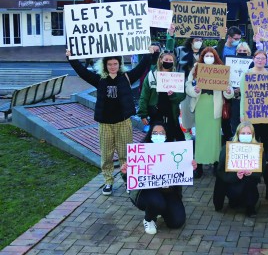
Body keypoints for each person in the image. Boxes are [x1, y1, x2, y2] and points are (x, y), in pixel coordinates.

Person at [66, 46, 158, 195]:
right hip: (105, 124)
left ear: (119, 65)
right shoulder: (100, 80)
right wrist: (71, 58)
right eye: (110, 64)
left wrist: (149, 53)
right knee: (107, 154)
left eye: (115, 64)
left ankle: (128, 180)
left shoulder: (127, 77)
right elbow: (82, 72)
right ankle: (108, 181)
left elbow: (142, 67)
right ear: (105, 65)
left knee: (125, 154)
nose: (113, 67)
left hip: (123, 123)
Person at [120, 123, 197, 234]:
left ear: (166, 136)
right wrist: (125, 172)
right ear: (150, 135)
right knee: (157, 202)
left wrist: (191, 166)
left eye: (161, 133)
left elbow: (182, 170)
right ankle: (149, 219)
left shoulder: (174, 150)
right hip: (147, 192)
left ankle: (161, 210)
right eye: (155, 133)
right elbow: (130, 177)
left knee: (177, 222)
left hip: (168, 192)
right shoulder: (141, 150)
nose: (158, 135)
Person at [185, 48, 234, 176]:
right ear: (202, 57)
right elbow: (188, 84)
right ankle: (199, 164)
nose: (209, 57)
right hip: (201, 104)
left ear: (215, 57)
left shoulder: (221, 69)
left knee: (215, 137)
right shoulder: (196, 68)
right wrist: (194, 90)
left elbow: (228, 88)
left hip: (215, 105)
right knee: (200, 136)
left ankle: (216, 163)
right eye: (206, 55)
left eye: (211, 55)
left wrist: (229, 92)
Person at [213, 122, 262, 217]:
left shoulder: (258, 149)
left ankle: (250, 207)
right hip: (232, 183)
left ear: (253, 135)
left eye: (249, 133)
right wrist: (235, 175)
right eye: (243, 133)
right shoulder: (227, 149)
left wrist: (252, 173)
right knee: (233, 201)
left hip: (248, 185)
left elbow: (261, 170)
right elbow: (220, 171)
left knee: (249, 181)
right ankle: (224, 202)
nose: (246, 135)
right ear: (238, 134)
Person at [138, 51, 186, 142]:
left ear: (174, 62)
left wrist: (173, 95)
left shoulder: (177, 77)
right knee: (155, 138)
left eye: (170, 60)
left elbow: (182, 96)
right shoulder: (151, 75)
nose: (168, 61)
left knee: (174, 138)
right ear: (160, 60)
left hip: (171, 114)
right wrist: (143, 113)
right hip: (156, 114)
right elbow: (144, 96)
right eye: (166, 59)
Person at [239, 50, 268, 144]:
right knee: (253, 137)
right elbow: (243, 96)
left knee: (267, 137)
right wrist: (242, 115)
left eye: (263, 58)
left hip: (267, 110)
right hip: (251, 110)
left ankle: (265, 157)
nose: (260, 60)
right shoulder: (247, 74)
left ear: (266, 60)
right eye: (258, 58)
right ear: (253, 59)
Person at [173, 34, 205, 139]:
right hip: (185, 87)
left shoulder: (206, 53)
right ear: (191, 41)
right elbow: (169, 52)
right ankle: (187, 135)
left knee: (200, 113)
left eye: (201, 39)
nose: (199, 41)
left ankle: (199, 135)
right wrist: (171, 35)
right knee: (185, 112)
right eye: (196, 39)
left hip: (201, 89)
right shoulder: (180, 50)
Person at [227, 42, 253, 135]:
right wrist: (232, 89)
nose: (242, 52)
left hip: (249, 101)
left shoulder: (253, 64)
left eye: (244, 51)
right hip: (235, 100)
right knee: (235, 125)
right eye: (240, 50)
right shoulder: (231, 63)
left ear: (249, 52)